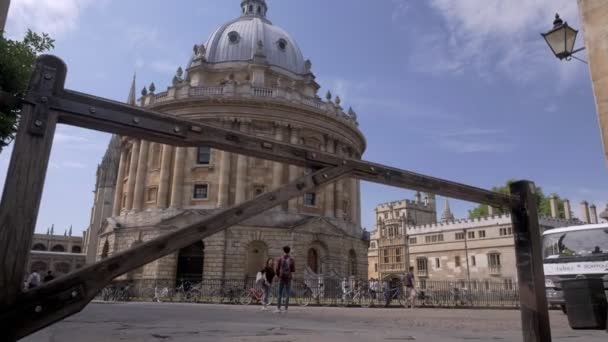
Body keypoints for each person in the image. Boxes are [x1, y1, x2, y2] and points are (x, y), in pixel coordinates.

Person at [274, 246, 295, 313]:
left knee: (279, 293)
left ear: (283, 251)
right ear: (289, 251)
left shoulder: (280, 258)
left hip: (282, 277)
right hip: (288, 277)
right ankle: (286, 309)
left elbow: (277, 268)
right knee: (287, 293)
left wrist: (278, 275)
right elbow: (293, 270)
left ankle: (278, 308)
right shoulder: (292, 259)